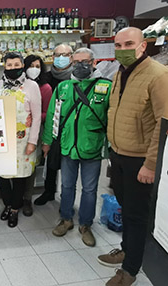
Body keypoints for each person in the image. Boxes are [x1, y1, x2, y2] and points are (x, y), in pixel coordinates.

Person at [97, 27, 168, 286]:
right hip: (119, 154)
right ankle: (127, 249)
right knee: (126, 209)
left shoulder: (159, 74)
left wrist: (150, 164)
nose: (122, 49)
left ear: (143, 46)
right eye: (117, 44)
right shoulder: (120, 71)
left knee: (136, 215)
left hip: (141, 160)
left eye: (129, 44)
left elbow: (164, 122)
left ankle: (130, 270)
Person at [42, 48, 111, 247]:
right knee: (66, 185)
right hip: (67, 145)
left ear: (94, 63)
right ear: (72, 63)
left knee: (89, 189)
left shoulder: (105, 87)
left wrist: (112, 146)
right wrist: (47, 141)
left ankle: (86, 225)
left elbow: (111, 118)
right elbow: (53, 119)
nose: (81, 65)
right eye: (77, 61)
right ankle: (66, 219)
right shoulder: (63, 87)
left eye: (85, 62)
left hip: (92, 146)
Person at [0, 52, 41, 227]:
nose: (13, 68)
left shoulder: (32, 86)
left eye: (16, 65)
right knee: (2, 174)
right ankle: (7, 203)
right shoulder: (0, 84)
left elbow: (36, 117)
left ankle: (15, 209)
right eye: (9, 65)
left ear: (22, 65)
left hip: (24, 139)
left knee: (20, 176)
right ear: (4, 66)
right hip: (3, 138)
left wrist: (32, 142)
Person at [35, 44, 74, 206]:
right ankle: (49, 191)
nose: (61, 58)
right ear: (53, 57)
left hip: (71, 126)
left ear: (71, 57)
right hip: (51, 124)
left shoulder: (75, 77)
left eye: (65, 54)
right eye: (58, 55)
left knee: (69, 165)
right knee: (50, 160)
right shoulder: (47, 77)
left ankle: (67, 198)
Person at [23, 54, 53, 216]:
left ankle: (27, 198)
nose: (34, 69)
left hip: (36, 131)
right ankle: (15, 197)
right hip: (18, 131)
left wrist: (33, 116)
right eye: (31, 65)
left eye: (38, 66)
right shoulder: (18, 85)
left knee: (30, 165)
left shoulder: (45, 88)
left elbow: (48, 113)